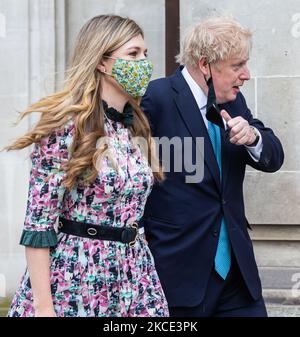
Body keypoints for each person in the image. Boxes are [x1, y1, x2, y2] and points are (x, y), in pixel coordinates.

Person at [6, 14, 168, 317]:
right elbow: (38, 225)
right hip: (78, 275)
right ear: (101, 62)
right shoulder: (65, 127)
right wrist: (44, 308)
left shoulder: (134, 126)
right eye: (133, 54)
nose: (144, 62)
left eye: (145, 54)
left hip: (135, 274)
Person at [141, 17, 284, 317]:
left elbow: (274, 156)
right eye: (237, 65)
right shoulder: (156, 98)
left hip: (237, 278)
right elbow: (131, 180)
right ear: (205, 64)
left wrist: (253, 137)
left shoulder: (233, 100)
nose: (246, 75)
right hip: (179, 275)